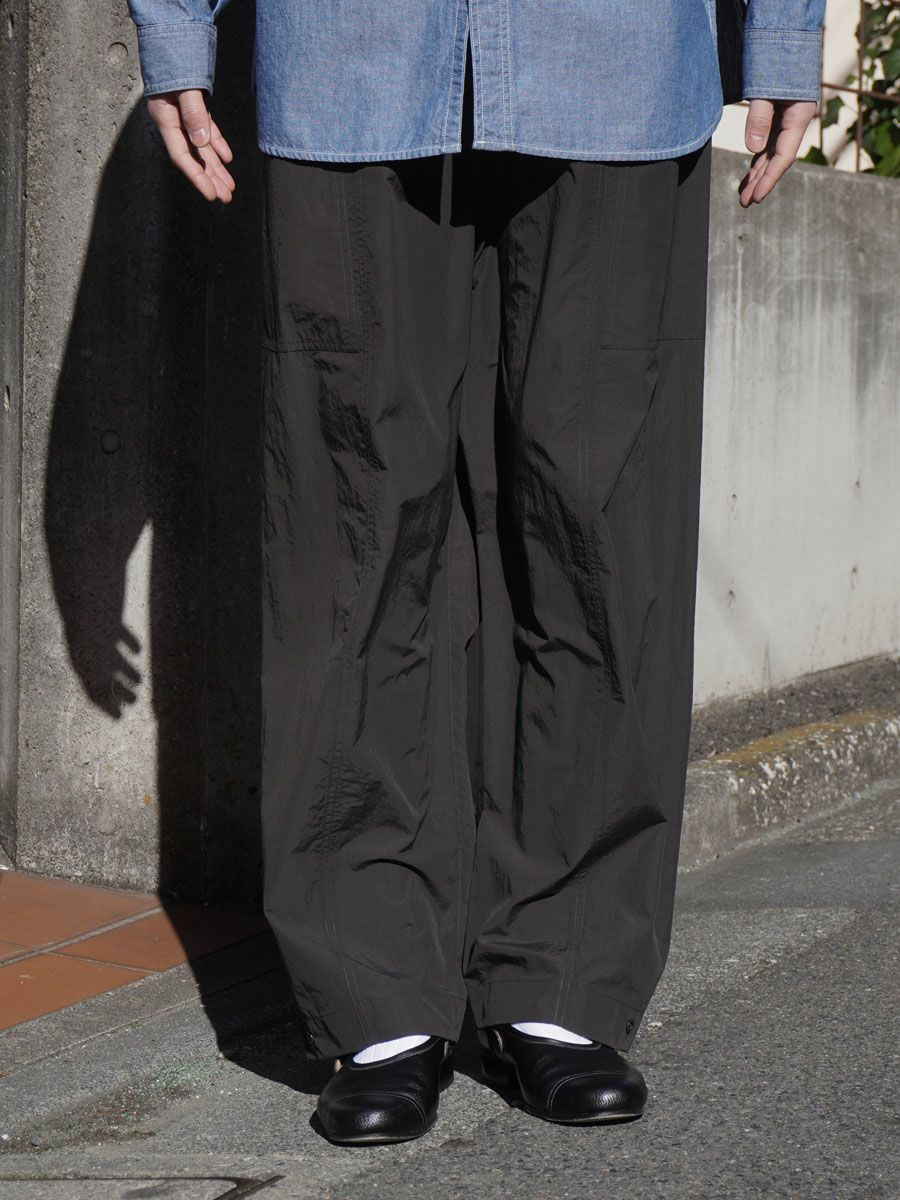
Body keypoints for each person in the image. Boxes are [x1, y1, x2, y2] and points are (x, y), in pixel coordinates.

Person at [125, 0, 824, 1146]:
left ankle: (565, 976)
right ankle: (375, 992)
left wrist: (785, 32)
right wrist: (172, 25)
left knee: (602, 527)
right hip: (350, 54)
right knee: (352, 524)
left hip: (617, 56)